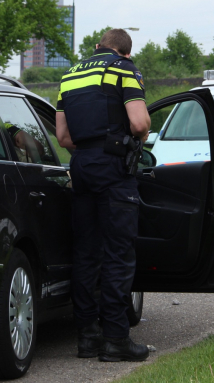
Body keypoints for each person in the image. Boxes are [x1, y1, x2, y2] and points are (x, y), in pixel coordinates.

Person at [55, 28, 151, 362]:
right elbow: (139, 124)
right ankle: (115, 339)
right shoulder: (124, 69)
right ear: (125, 52)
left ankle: (87, 337)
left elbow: (63, 136)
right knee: (118, 254)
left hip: (81, 165)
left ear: (98, 47)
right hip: (113, 168)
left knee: (86, 253)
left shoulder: (69, 76)